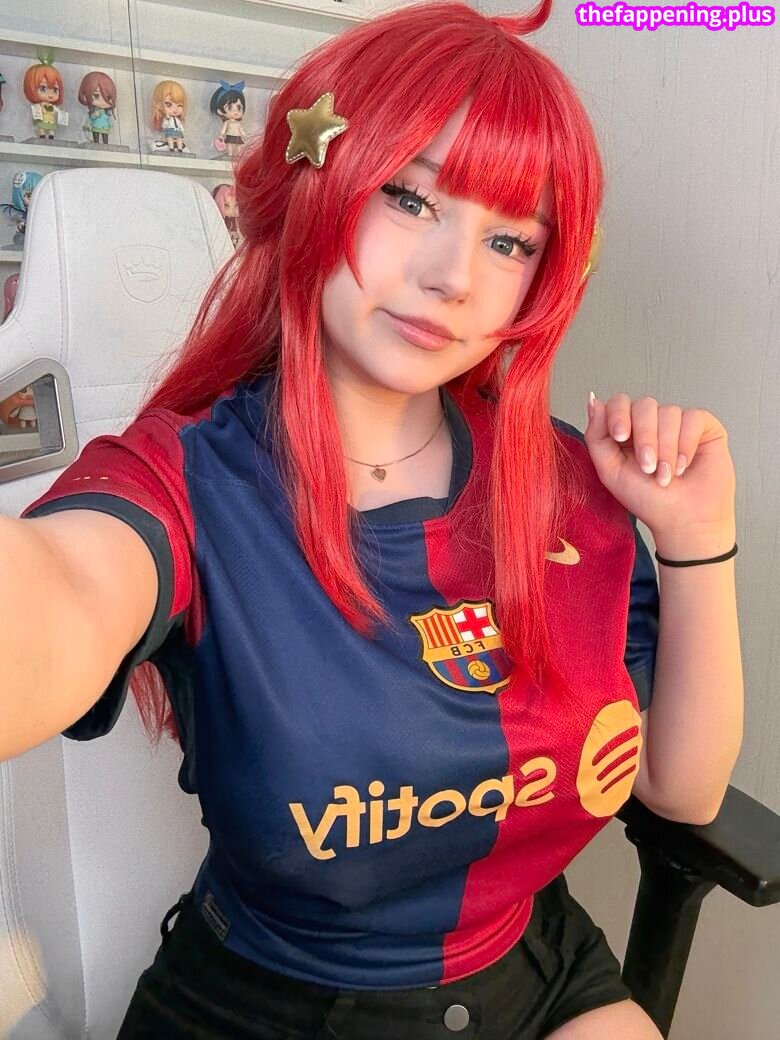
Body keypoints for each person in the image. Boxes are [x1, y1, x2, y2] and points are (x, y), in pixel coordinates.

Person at [11, 0, 740, 1037]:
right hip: (273, 1002)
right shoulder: (187, 480)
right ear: (317, 185)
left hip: (535, 972)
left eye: (509, 240)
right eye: (408, 196)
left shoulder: (579, 487)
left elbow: (682, 791)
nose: (453, 277)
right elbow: (61, 594)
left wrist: (697, 537)